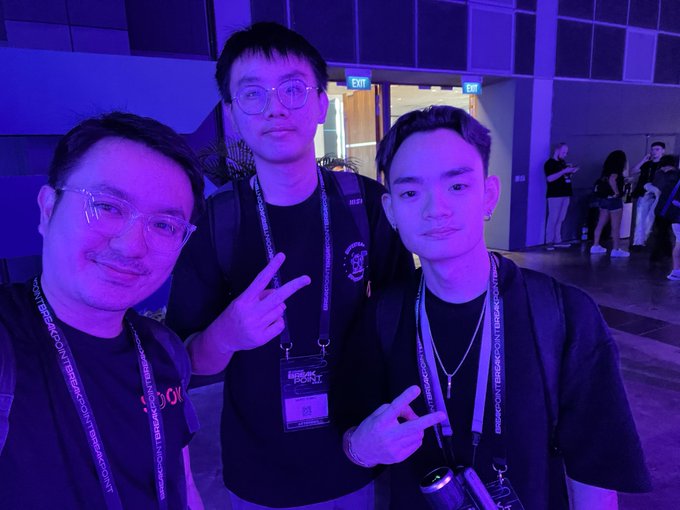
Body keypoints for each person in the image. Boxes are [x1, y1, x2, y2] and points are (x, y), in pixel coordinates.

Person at [337, 106, 651, 509]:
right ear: (391, 211)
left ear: (488, 195)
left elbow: (595, 472)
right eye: (410, 192)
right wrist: (361, 448)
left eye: (457, 186)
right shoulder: (381, 316)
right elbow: (352, 435)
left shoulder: (563, 315)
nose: (435, 209)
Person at [165, 22, 412, 509]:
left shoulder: (365, 205)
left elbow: (404, 325)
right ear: (232, 114)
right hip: (258, 475)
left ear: (321, 104)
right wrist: (226, 335)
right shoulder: (218, 222)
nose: (275, 108)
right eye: (252, 94)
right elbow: (185, 361)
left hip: (355, 456)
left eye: (293, 90)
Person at [0, 112, 205, 509]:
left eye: (164, 225)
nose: (131, 245)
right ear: (48, 209)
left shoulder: (163, 350)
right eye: (108, 206)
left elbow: (184, 484)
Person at [591, 150, 630, 257]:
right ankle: (616, 249)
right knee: (615, 226)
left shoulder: (606, 170)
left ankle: (595, 245)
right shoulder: (616, 170)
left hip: (603, 199)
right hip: (613, 200)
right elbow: (612, 180)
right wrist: (617, 193)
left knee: (600, 223)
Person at [646, 155, 680, 274]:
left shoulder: (660, 174)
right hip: (673, 211)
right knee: (669, 236)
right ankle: (669, 261)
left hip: (662, 208)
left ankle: (662, 255)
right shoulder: (675, 175)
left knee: (662, 233)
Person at [630, 142, 665, 247]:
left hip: (658, 193)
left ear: (663, 151)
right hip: (644, 192)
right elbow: (633, 171)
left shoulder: (664, 165)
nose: (654, 152)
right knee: (641, 217)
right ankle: (639, 242)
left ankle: (644, 239)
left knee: (651, 217)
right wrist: (643, 160)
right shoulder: (647, 164)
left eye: (657, 149)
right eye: (653, 149)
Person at [544, 143, 578, 250]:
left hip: (565, 193)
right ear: (557, 150)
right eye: (563, 152)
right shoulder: (549, 163)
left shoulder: (563, 163)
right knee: (553, 218)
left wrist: (570, 172)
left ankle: (557, 240)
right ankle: (549, 241)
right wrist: (563, 171)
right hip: (555, 195)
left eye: (566, 153)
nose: (565, 155)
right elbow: (550, 178)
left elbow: (564, 176)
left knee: (561, 218)